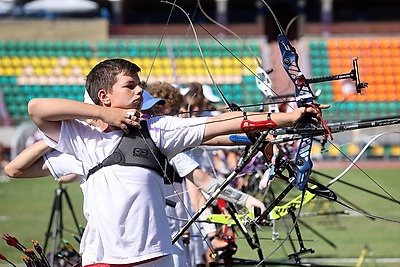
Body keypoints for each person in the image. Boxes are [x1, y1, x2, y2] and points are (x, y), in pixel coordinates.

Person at [27, 58, 327, 267]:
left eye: (139, 85)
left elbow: (225, 124)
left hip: (156, 255)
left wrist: (286, 118)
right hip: (103, 257)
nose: (140, 92)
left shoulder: (158, 129)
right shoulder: (82, 138)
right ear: (104, 96)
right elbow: (38, 108)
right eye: (130, 86)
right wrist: (107, 117)